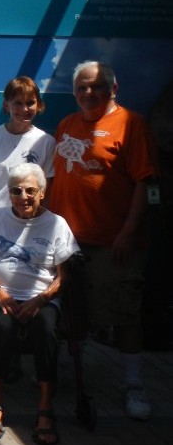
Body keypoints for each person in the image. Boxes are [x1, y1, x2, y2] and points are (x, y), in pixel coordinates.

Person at [49, 61, 157, 421]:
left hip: (114, 243)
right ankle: (71, 374)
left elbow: (145, 182)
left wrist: (127, 232)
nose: (88, 93)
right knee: (72, 312)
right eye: (82, 87)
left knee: (125, 313)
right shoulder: (66, 125)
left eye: (96, 86)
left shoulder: (131, 124)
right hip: (69, 244)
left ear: (113, 88)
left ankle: (133, 384)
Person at [0, 163, 78, 445]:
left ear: (42, 193)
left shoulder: (56, 224)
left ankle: (45, 406)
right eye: (16, 191)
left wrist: (42, 298)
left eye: (31, 191)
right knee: (1, 325)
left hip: (41, 296)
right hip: (0, 294)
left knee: (46, 329)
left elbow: (63, 273)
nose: (23, 196)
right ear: (9, 194)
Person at [0, 76, 56, 250]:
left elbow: (47, 191)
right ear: (6, 105)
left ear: (39, 105)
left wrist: (42, 225)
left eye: (30, 103)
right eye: (18, 103)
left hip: (26, 222)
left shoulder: (47, 142)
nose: (24, 109)